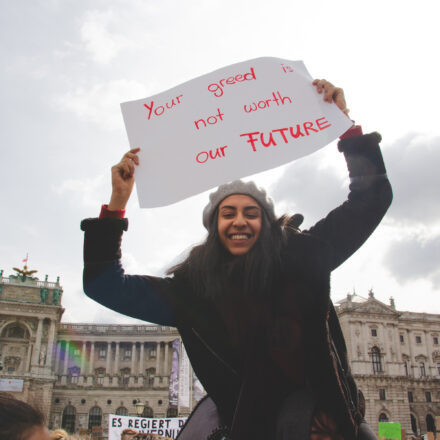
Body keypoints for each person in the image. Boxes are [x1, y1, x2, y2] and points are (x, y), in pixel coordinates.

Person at [81, 80, 393, 440]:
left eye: (251, 212)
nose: (240, 220)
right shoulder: (192, 292)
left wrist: (346, 126)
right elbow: (105, 285)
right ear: (215, 228)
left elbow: (370, 200)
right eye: (227, 213)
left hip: (329, 423)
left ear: (266, 222)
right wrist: (117, 202)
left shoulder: (304, 257)